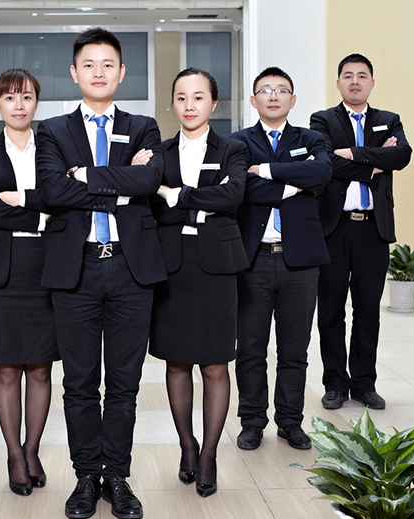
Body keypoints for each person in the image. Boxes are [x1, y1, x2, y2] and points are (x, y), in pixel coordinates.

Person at [36, 27, 165, 519]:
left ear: (122, 72)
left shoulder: (143, 126)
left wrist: (84, 176)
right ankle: (87, 476)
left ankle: (118, 476)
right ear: (74, 73)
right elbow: (52, 190)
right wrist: (120, 187)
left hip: (131, 268)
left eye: (107, 64)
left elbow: (149, 180)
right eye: (88, 64)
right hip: (77, 269)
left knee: (125, 384)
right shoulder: (53, 130)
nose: (98, 72)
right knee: (80, 383)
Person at [149, 68, 248, 498]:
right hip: (172, 266)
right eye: (181, 98)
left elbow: (233, 195)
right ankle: (187, 445)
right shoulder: (159, 152)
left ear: (214, 103)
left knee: (215, 364)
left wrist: (176, 194)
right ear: (173, 103)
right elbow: (152, 203)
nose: (189, 106)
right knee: (176, 363)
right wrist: (200, 201)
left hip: (216, 267)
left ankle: (208, 454)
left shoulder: (233, 149)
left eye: (198, 97)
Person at [228, 67, 332, 450]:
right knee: (250, 348)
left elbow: (322, 173)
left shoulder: (311, 138)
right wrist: (293, 186)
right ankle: (252, 421)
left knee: (294, 350)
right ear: (253, 100)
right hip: (253, 259)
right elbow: (241, 188)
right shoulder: (237, 142)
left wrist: (268, 171)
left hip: (299, 262)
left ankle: (290, 421)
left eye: (281, 90)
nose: (273, 96)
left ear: (293, 99)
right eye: (265, 90)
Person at [0, 68, 59, 497]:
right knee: (6, 369)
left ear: (36, 102)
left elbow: (61, 199)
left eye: (26, 97)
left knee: (41, 368)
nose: (18, 105)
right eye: (9, 97)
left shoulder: (53, 149)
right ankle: (14, 455)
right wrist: (40, 216)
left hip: (46, 269)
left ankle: (33, 450)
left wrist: (24, 202)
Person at [310, 54, 412, 410]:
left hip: (373, 229)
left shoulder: (389, 120)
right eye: (348, 75)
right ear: (338, 82)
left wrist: (352, 153)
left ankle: (365, 384)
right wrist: (374, 164)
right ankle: (335, 383)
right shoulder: (322, 120)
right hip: (333, 229)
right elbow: (326, 163)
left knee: (368, 310)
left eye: (362, 76)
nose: (355, 81)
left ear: (372, 82)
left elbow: (401, 156)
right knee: (331, 311)